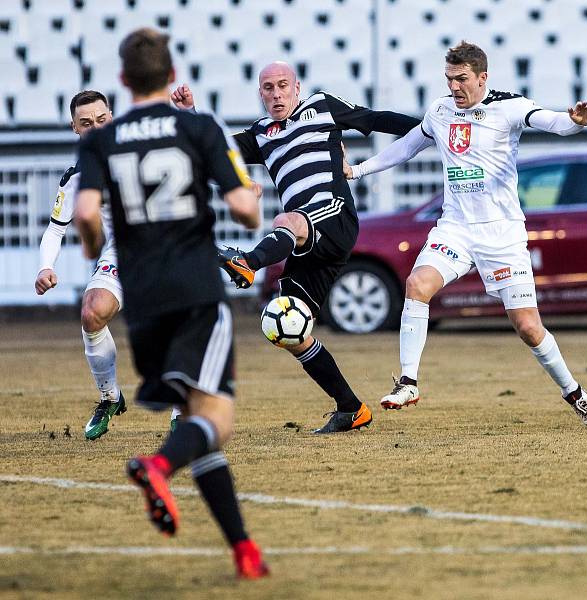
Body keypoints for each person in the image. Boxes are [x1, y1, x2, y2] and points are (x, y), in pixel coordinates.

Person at [73, 28, 269, 578]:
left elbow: (88, 217)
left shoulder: (97, 142)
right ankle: (158, 466)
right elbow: (245, 210)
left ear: (122, 82)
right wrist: (245, 200)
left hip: (141, 298)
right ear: (172, 74)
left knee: (195, 417)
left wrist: (95, 250)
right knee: (218, 418)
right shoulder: (197, 126)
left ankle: (243, 551)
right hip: (194, 291)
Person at [345, 42, 587, 428]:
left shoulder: (509, 107)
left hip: (502, 234)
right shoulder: (439, 111)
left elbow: (552, 120)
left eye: (462, 79)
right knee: (417, 285)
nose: (454, 87)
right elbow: (406, 148)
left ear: (482, 77)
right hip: (456, 228)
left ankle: (576, 394)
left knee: (529, 329)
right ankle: (408, 382)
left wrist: (576, 122)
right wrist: (359, 171)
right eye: (449, 79)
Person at [171, 62, 420, 433]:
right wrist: (190, 114)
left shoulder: (321, 106)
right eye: (268, 88)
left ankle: (248, 262)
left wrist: (430, 126)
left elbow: (374, 118)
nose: (276, 93)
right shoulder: (259, 134)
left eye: (282, 85)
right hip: (307, 240)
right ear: (261, 94)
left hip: (333, 216)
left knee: (286, 221)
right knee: (287, 326)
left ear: (297, 87)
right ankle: (351, 408)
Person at [34, 91, 133, 440]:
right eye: (86, 123)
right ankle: (109, 397)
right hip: (121, 253)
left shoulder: (143, 150)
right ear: (74, 128)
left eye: (102, 120)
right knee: (91, 313)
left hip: (165, 247)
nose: (95, 129)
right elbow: (55, 229)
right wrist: (45, 266)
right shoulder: (77, 176)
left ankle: (183, 412)